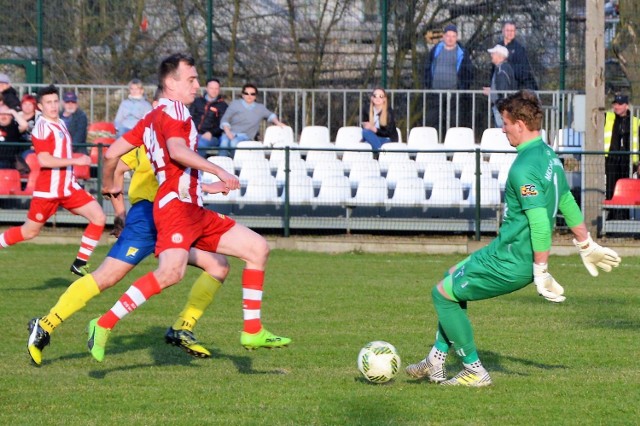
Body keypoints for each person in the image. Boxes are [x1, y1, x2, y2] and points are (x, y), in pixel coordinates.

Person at [405, 90, 621, 387]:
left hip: (510, 260)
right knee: (451, 275)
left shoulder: (523, 168)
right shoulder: (547, 155)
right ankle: (437, 360)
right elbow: (567, 201)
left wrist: (541, 271)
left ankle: (473, 370)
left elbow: (540, 224)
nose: (503, 128)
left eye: (505, 122)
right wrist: (586, 243)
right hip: (503, 250)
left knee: (441, 294)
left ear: (520, 123)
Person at [86, 53, 290, 362]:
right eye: (191, 79)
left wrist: (109, 185)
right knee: (170, 273)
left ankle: (252, 330)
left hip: (192, 207)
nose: (197, 85)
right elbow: (177, 151)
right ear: (171, 83)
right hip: (176, 210)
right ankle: (103, 323)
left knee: (257, 249)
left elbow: (112, 151)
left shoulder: (151, 117)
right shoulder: (175, 112)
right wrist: (218, 170)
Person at [26, 141, 232, 365]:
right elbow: (119, 167)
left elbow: (174, 181)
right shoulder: (153, 138)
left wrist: (207, 187)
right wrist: (120, 212)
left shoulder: (179, 139)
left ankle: (183, 327)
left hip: (178, 218)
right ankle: (46, 325)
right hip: (147, 218)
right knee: (107, 276)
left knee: (218, 264)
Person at [0, 85, 105, 276]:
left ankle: (80, 263)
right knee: (29, 232)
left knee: (99, 217)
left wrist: (75, 181)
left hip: (68, 187)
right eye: (48, 102)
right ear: (40, 107)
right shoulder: (42, 127)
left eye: (56, 101)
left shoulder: (61, 123)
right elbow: (44, 160)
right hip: (48, 191)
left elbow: (61, 154)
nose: (54, 106)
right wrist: (76, 159)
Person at [423, 24, 474, 131]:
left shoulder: (462, 53)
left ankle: (452, 145)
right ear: (443, 37)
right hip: (435, 92)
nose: (450, 39)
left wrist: (462, 87)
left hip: (454, 94)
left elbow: (469, 72)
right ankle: (433, 144)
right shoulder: (435, 50)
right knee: (432, 119)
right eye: (448, 36)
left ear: (457, 37)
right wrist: (428, 84)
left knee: (453, 121)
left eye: (453, 36)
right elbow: (427, 67)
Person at [218, 83, 286, 157]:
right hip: (229, 132)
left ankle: (235, 165)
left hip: (246, 136)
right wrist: (228, 133)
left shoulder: (260, 108)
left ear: (255, 96)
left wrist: (278, 122)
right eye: (246, 93)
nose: (249, 96)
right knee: (224, 143)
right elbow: (225, 119)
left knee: (234, 143)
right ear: (243, 95)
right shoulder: (235, 104)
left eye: (252, 94)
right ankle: (222, 164)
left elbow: (271, 115)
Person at [604, 94, 639, 220]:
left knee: (626, 190)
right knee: (610, 188)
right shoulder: (608, 118)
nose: (616, 106)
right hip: (612, 159)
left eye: (619, 104)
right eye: (615, 104)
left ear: (626, 105)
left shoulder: (635, 121)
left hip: (628, 161)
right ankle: (611, 216)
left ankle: (623, 217)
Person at [189, 78, 228, 158]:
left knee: (201, 144)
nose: (214, 91)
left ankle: (196, 168)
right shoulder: (197, 101)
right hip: (193, 134)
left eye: (216, 88)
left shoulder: (223, 105)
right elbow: (190, 117)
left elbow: (222, 125)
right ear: (206, 88)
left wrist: (211, 133)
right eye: (211, 88)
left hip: (212, 137)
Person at [498, 21, 538, 90]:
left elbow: (524, 70)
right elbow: (494, 68)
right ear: (503, 31)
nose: (510, 33)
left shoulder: (519, 49)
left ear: (515, 32)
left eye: (512, 31)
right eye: (507, 30)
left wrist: (507, 70)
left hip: (516, 87)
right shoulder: (498, 47)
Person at [482, 44, 516, 127]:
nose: (491, 55)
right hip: (503, 107)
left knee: (501, 131)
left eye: (493, 53)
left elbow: (502, 90)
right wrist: (492, 90)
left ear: (500, 56)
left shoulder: (501, 70)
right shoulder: (504, 68)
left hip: (501, 108)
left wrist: (491, 93)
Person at [0, 104, 28, 169]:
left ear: (11, 116)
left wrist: (13, 111)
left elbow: (25, 125)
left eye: (7, 113)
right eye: (1, 114)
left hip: (9, 160)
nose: (4, 116)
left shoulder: (14, 126)